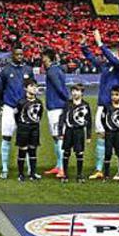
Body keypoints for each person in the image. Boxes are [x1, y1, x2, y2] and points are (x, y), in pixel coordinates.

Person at [81, 30, 119, 180]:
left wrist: (100, 43)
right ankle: (100, 169)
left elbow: (113, 60)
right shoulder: (106, 67)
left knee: (117, 138)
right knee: (101, 136)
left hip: (116, 108)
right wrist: (84, 46)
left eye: (113, 54)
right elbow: (92, 59)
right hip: (102, 105)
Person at [0, 47, 31, 180]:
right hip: (9, 107)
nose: (20, 56)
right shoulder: (5, 71)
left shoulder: (28, 70)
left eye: (21, 54)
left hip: (24, 108)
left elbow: (31, 87)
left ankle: (30, 168)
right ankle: (5, 169)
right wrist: (1, 104)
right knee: (6, 137)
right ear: (12, 56)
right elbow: (1, 88)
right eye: (17, 54)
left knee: (26, 139)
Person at [41, 49, 69, 178]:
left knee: (59, 137)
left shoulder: (52, 71)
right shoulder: (57, 69)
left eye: (44, 58)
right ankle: (58, 165)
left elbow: (59, 88)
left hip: (56, 107)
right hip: (56, 106)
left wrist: (67, 100)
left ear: (49, 58)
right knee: (56, 137)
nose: (43, 61)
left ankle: (62, 168)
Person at [61, 84, 93, 183]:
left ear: (82, 93)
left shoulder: (85, 105)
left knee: (79, 153)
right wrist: (60, 131)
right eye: (73, 91)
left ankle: (79, 175)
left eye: (77, 91)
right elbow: (62, 118)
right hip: (68, 131)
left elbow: (89, 120)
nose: (75, 93)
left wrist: (88, 135)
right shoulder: (67, 103)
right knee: (66, 152)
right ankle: (65, 175)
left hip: (79, 132)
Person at [15, 80, 44, 182]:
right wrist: (22, 124)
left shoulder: (39, 102)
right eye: (31, 86)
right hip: (23, 128)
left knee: (33, 151)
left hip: (35, 128)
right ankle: (21, 174)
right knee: (22, 151)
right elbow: (16, 115)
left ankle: (32, 173)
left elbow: (40, 115)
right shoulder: (21, 102)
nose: (34, 88)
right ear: (25, 88)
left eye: (35, 86)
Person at [101, 86, 119, 182]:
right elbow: (103, 118)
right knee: (108, 154)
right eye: (112, 95)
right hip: (109, 134)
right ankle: (106, 175)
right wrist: (106, 129)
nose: (114, 97)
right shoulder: (107, 106)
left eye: (116, 95)